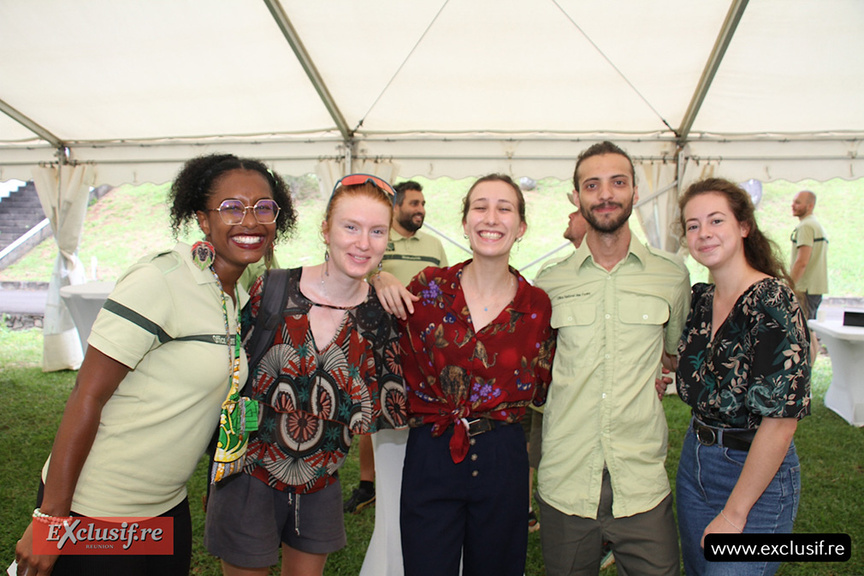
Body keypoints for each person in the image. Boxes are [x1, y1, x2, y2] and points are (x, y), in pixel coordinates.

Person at [13, 153, 297, 576]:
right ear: (202, 219)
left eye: (264, 207)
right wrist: (52, 519)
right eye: (232, 208)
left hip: (166, 508)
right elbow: (86, 395)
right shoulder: (161, 280)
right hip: (98, 509)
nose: (250, 220)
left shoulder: (233, 293)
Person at [204, 174, 408, 576]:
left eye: (377, 231)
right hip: (249, 476)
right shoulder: (272, 289)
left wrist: (382, 280)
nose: (363, 243)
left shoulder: (382, 317)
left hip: (321, 485)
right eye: (351, 227)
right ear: (326, 229)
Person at [534, 141, 690, 576]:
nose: (605, 194)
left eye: (617, 182)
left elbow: (673, 355)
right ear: (577, 197)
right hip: (566, 478)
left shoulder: (672, 275)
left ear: (635, 192)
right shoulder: (549, 284)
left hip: (640, 481)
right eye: (592, 185)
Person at [398, 174, 556, 576]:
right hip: (431, 452)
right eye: (480, 207)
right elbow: (383, 346)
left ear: (520, 228)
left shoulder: (536, 306)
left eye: (505, 208)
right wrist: (379, 279)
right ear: (465, 222)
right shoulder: (428, 288)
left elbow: (546, 378)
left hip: (502, 455)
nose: (491, 217)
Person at [675, 177, 811, 576]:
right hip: (696, 464)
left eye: (716, 220)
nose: (704, 234)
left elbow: (782, 423)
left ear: (744, 226)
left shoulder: (772, 302)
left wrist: (735, 515)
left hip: (754, 474)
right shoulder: (702, 300)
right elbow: (695, 369)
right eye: (693, 225)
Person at [355, 180, 449, 576]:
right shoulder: (377, 245)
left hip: (432, 367)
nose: (420, 208)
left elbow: (448, 295)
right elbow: (356, 281)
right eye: (414, 202)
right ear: (395, 207)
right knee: (391, 451)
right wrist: (378, 276)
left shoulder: (434, 247)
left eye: (424, 203)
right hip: (388, 364)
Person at [527, 191, 588, 533]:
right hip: (549, 397)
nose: (568, 217)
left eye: (574, 212)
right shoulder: (553, 276)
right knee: (543, 458)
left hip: (583, 401)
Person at [790, 190, 828, 319]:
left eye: (798, 202)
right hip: (815, 288)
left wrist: (789, 286)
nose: (793, 205)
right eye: (793, 201)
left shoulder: (806, 226)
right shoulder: (816, 225)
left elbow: (802, 261)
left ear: (810, 206)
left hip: (804, 288)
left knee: (802, 330)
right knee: (809, 329)